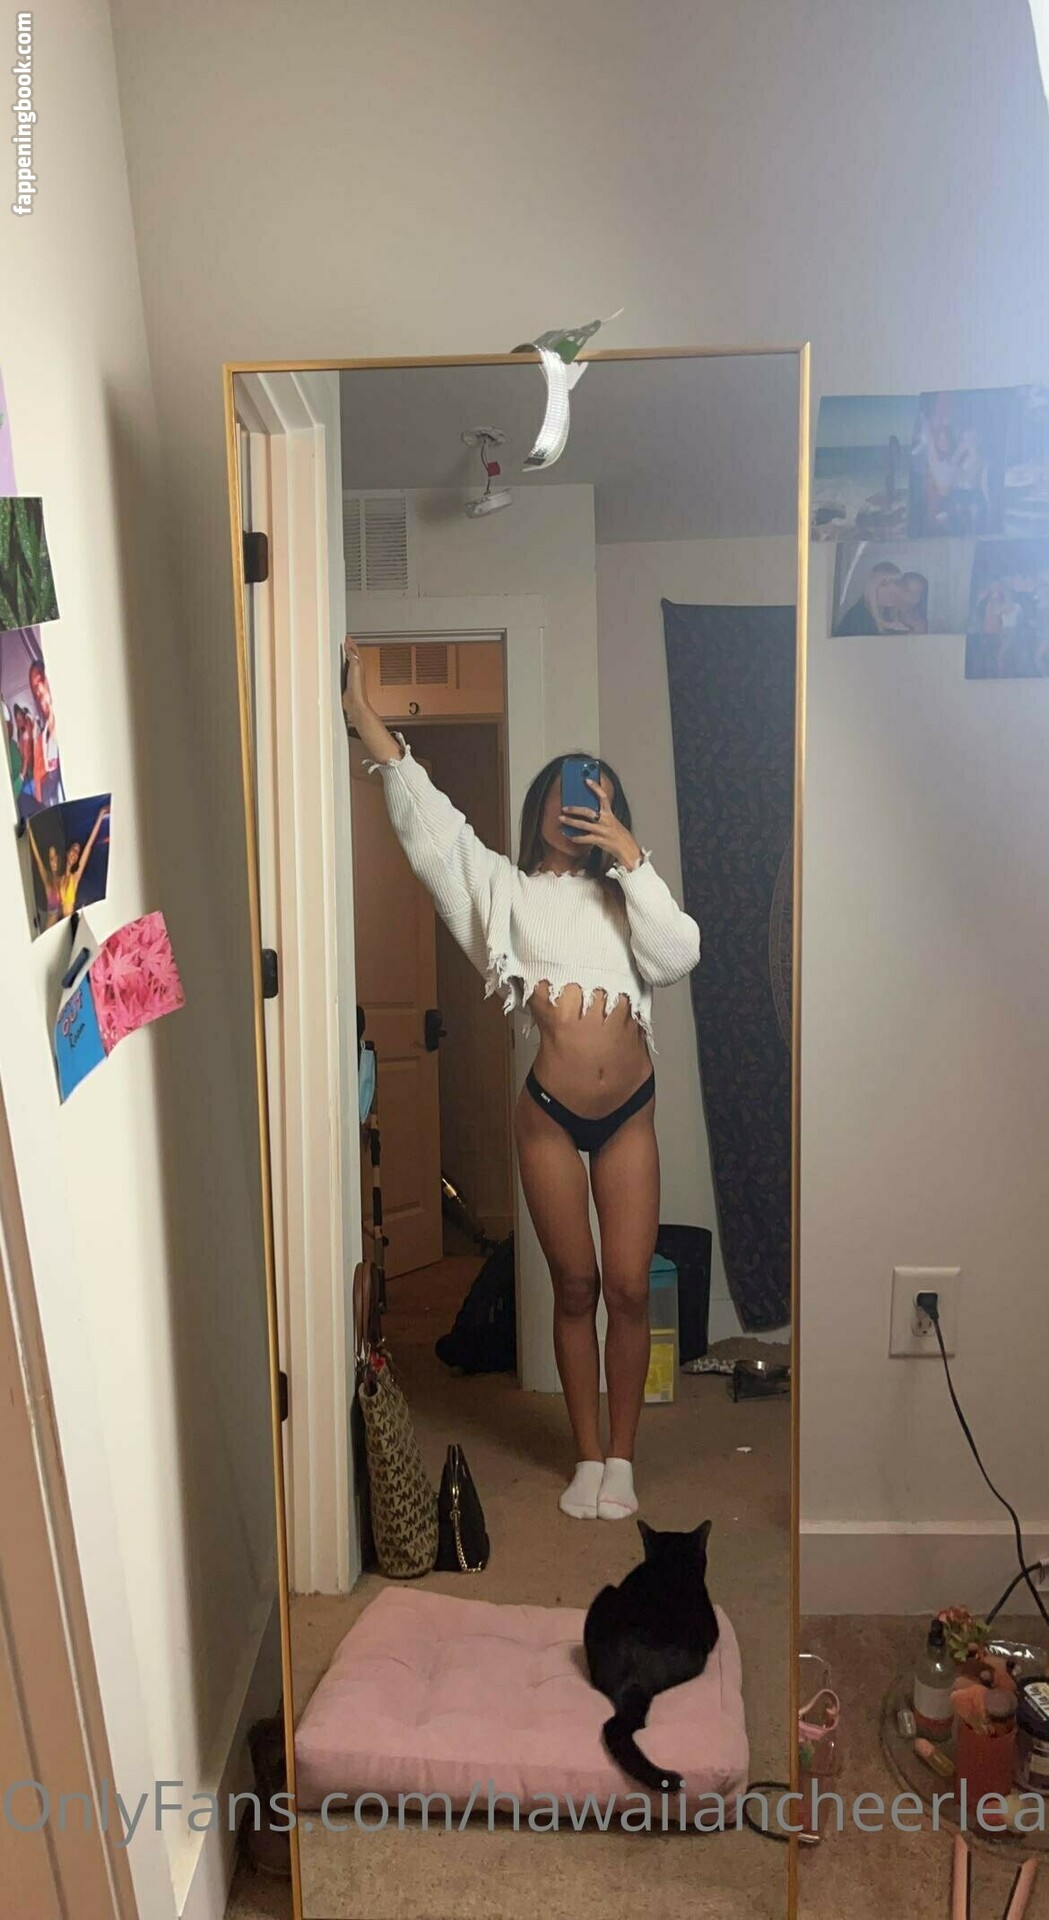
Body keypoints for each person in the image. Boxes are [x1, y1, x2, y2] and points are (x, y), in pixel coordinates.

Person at [342, 638, 701, 1522]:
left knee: (629, 1287)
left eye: (593, 797)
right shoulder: (503, 891)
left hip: (629, 1115)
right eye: (562, 794)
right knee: (574, 1287)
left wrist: (631, 855)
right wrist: (363, 719)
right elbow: (433, 830)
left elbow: (678, 954)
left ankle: (623, 1460)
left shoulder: (628, 898)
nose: (573, 807)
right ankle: (586, 1456)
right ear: (539, 805)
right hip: (548, 1116)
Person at [836, 560, 903, 635]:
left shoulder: (887, 613)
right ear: (872, 588)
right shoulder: (859, 617)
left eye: (897, 584)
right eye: (884, 585)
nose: (893, 590)